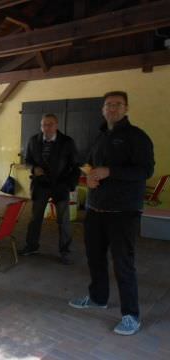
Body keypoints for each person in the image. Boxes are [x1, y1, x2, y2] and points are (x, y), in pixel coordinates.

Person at [69, 91, 154, 336]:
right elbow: (90, 165)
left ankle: (131, 315)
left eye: (118, 105)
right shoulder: (100, 137)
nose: (112, 108)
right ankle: (98, 298)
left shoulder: (137, 137)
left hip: (123, 211)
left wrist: (109, 171)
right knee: (95, 258)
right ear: (102, 109)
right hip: (96, 209)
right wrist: (89, 176)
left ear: (126, 108)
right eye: (108, 105)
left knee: (123, 264)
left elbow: (145, 171)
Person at [19, 113, 80, 265]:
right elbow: (27, 161)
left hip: (60, 186)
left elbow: (75, 165)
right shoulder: (34, 140)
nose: (47, 128)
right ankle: (31, 246)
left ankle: (65, 252)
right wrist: (33, 169)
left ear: (56, 125)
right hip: (40, 186)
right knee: (35, 219)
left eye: (50, 124)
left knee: (63, 221)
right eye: (44, 125)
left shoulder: (67, 142)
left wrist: (70, 185)